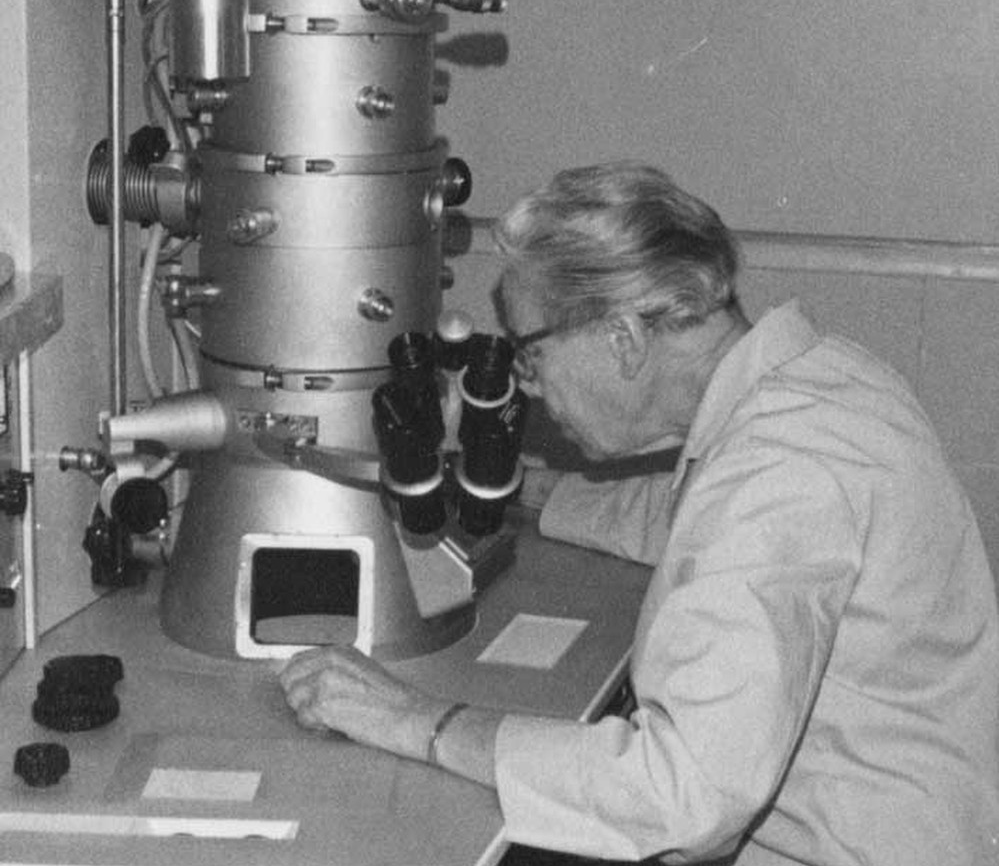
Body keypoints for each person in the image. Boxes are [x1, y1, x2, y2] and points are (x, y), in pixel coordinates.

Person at [279, 162, 999, 865]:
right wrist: (533, 492)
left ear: (622, 338)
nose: (529, 388)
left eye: (530, 357)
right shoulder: (816, 386)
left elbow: (680, 797)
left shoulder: (781, 469)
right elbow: (698, 520)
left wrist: (417, 721)